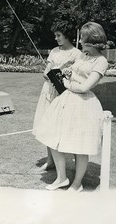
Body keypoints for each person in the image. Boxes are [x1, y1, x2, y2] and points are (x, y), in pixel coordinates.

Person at [36, 22, 108, 191]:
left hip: (84, 104)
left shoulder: (101, 61)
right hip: (67, 100)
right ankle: (61, 178)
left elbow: (84, 87)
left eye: (82, 37)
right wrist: (67, 73)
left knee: (80, 145)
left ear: (91, 40)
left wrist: (67, 83)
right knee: (52, 136)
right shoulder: (84, 55)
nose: (80, 41)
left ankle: (77, 184)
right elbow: (74, 72)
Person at [33, 22, 81, 171]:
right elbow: (46, 70)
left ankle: (73, 159)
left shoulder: (76, 53)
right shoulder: (54, 51)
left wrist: (64, 75)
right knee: (48, 125)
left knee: (65, 127)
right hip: (49, 90)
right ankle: (50, 160)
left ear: (67, 36)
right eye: (55, 35)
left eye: (59, 35)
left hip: (64, 93)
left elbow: (76, 75)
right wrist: (48, 75)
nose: (56, 38)